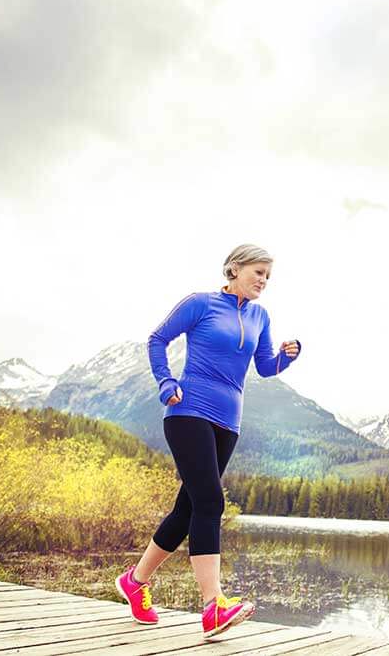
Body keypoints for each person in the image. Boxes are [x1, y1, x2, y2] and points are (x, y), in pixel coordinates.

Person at [113, 244, 301, 638]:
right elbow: (156, 339)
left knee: (189, 509)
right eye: (259, 272)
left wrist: (287, 356)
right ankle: (213, 604)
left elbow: (265, 368)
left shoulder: (260, 316)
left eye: (269, 275)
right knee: (211, 501)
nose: (264, 280)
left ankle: (135, 581)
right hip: (188, 411)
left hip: (228, 422)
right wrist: (166, 382)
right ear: (235, 268)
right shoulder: (201, 304)